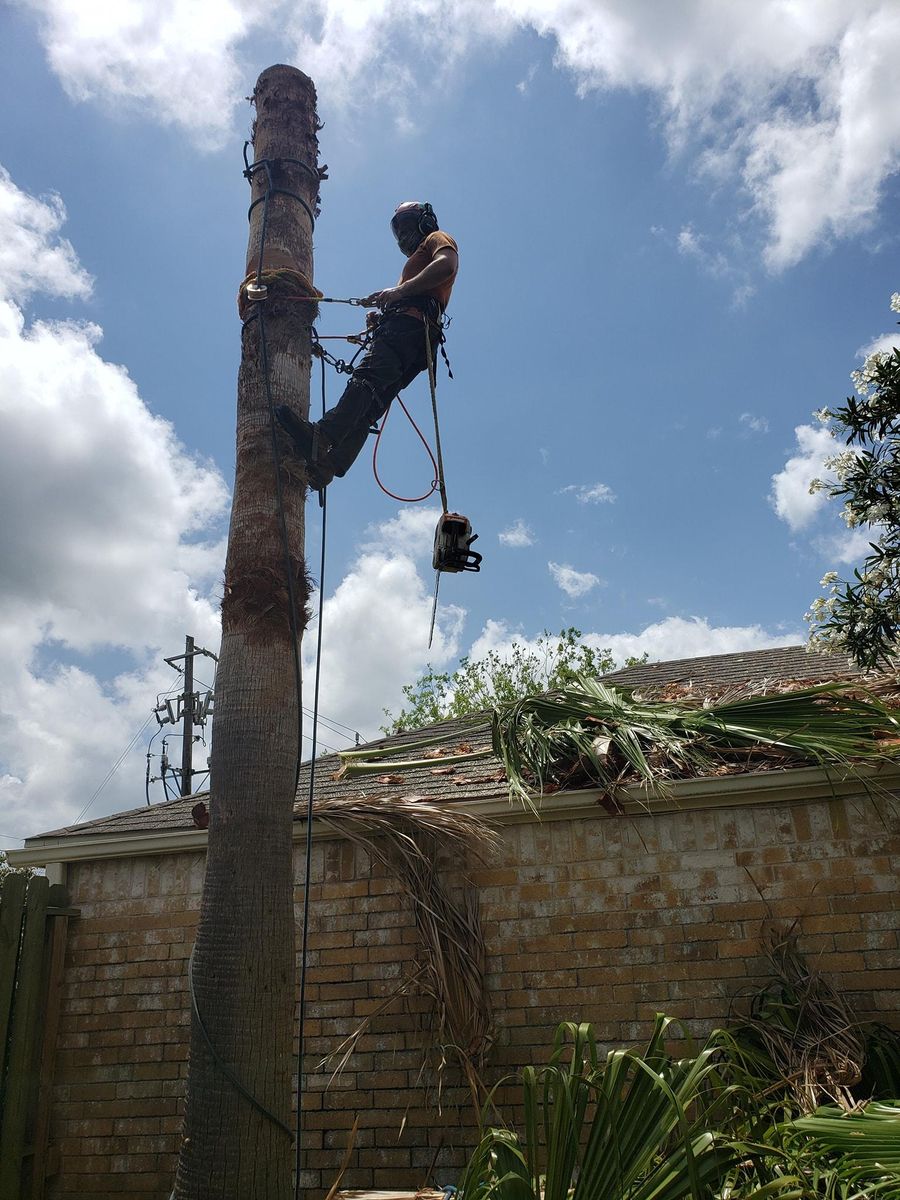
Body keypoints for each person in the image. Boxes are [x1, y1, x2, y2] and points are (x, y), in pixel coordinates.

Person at [276, 201, 459, 489]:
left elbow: (447, 265)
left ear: (425, 221)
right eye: (399, 229)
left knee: (366, 381)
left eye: (407, 225)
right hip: (416, 336)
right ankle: (329, 464)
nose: (403, 234)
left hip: (408, 328)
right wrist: (386, 313)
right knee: (372, 403)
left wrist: (399, 292)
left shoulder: (437, 238)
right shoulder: (417, 263)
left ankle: (321, 436)